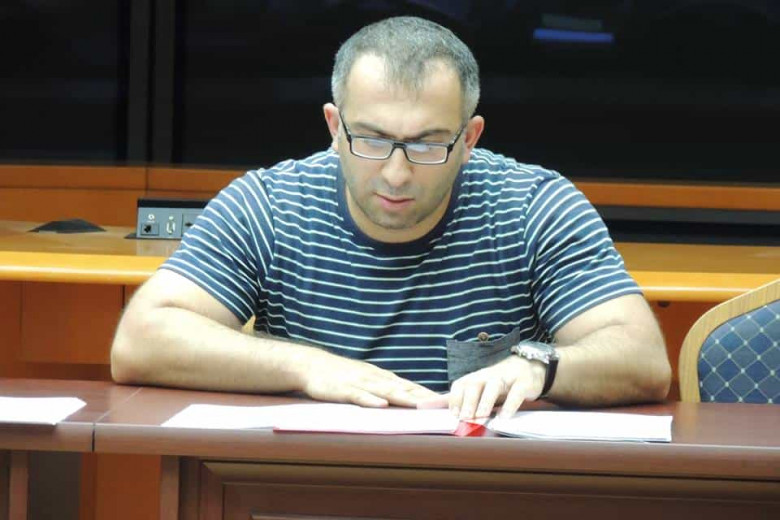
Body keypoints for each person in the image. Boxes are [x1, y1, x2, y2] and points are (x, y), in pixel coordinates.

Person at [111, 16, 671, 420]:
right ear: (334, 128)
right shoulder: (268, 206)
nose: (397, 174)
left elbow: (642, 358)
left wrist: (537, 368)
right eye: (373, 140)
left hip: (486, 486)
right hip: (309, 485)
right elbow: (141, 341)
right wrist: (309, 367)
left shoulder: (535, 207)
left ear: (469, 139)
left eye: (428, 145)